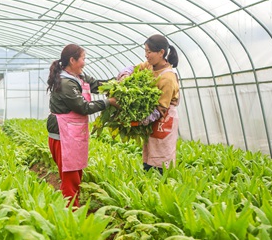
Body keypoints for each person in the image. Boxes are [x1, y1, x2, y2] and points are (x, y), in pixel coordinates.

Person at [46, 44, 118, 208]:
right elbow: (83, 107)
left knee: (75, 175)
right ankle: (71, 216)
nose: (85, 63)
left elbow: (98, 85)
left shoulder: (79, 77)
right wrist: (108, 102)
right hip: (63, 136)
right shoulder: (66, 83)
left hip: (73, 134)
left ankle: (73, 210)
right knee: (70, 178)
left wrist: (119, 81)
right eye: (83, 59)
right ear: (72, 60)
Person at [118, 34, 180, 173]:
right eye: (145, 51)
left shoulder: (167, 77)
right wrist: (125, 77)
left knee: (161, 159)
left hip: (164, 120)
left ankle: (161, 188)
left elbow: (160, 110)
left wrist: (138, 122)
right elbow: (130, 68)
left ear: (161, 53)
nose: (146, 55)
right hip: (152, 121)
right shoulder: (150, 66)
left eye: (149, 52)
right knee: (149, 157)